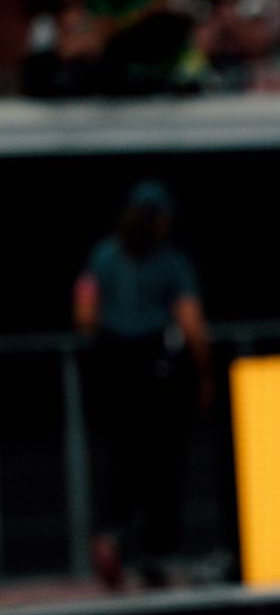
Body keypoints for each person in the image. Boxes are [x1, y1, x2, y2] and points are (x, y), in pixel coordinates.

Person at [73, 180, 212, 588]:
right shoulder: (170, 263)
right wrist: (204, 374)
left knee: (121, 460)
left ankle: (112, 535)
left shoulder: (103, 257)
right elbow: (191, 323)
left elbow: (84, 313)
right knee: (163, 464)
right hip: (156, 370)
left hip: (113, 367)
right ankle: (156, 552)